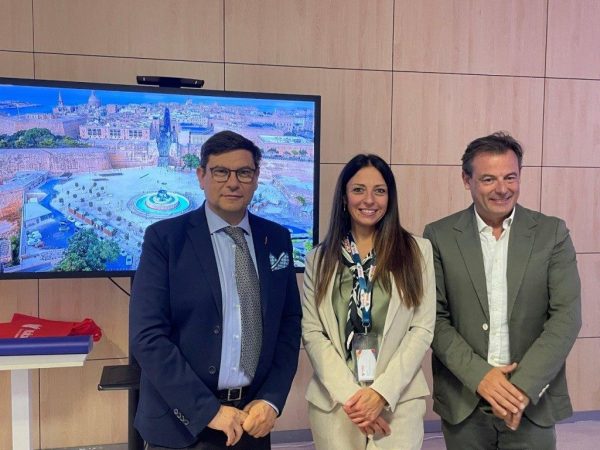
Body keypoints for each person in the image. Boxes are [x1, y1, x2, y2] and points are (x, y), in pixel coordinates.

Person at [129, 130, 302, 449]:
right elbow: (147, 337)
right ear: (201, 176)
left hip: (251, 422)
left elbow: (289, 325)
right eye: (221, 171)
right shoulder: (165, 239)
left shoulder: (277, 239)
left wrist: (271, 399)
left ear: (256, 178)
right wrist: (208, 410)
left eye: (244, 172)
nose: (233, 182)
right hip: (181, 426)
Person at [423, 132, 582, 449]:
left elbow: (566, 318)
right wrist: (481, 376)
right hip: (465, 399)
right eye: (488, 179)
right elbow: (434, 319)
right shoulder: (439, 236)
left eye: (510, 177)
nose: (502, 189)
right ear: (466, 180)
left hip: (530, 401)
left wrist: (520, 388)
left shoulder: (551, 233)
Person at [302, 154, 436, 450]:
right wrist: (355, 399)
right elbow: (313, 333)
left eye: (380, 190)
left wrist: (380, 394)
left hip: (397, 401)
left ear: (390, 197)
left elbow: (422, 329)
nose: (369, 200)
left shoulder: (417, 252)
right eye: (358, 189)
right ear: (344, 197)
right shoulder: (319, 259)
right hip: (337, 403)